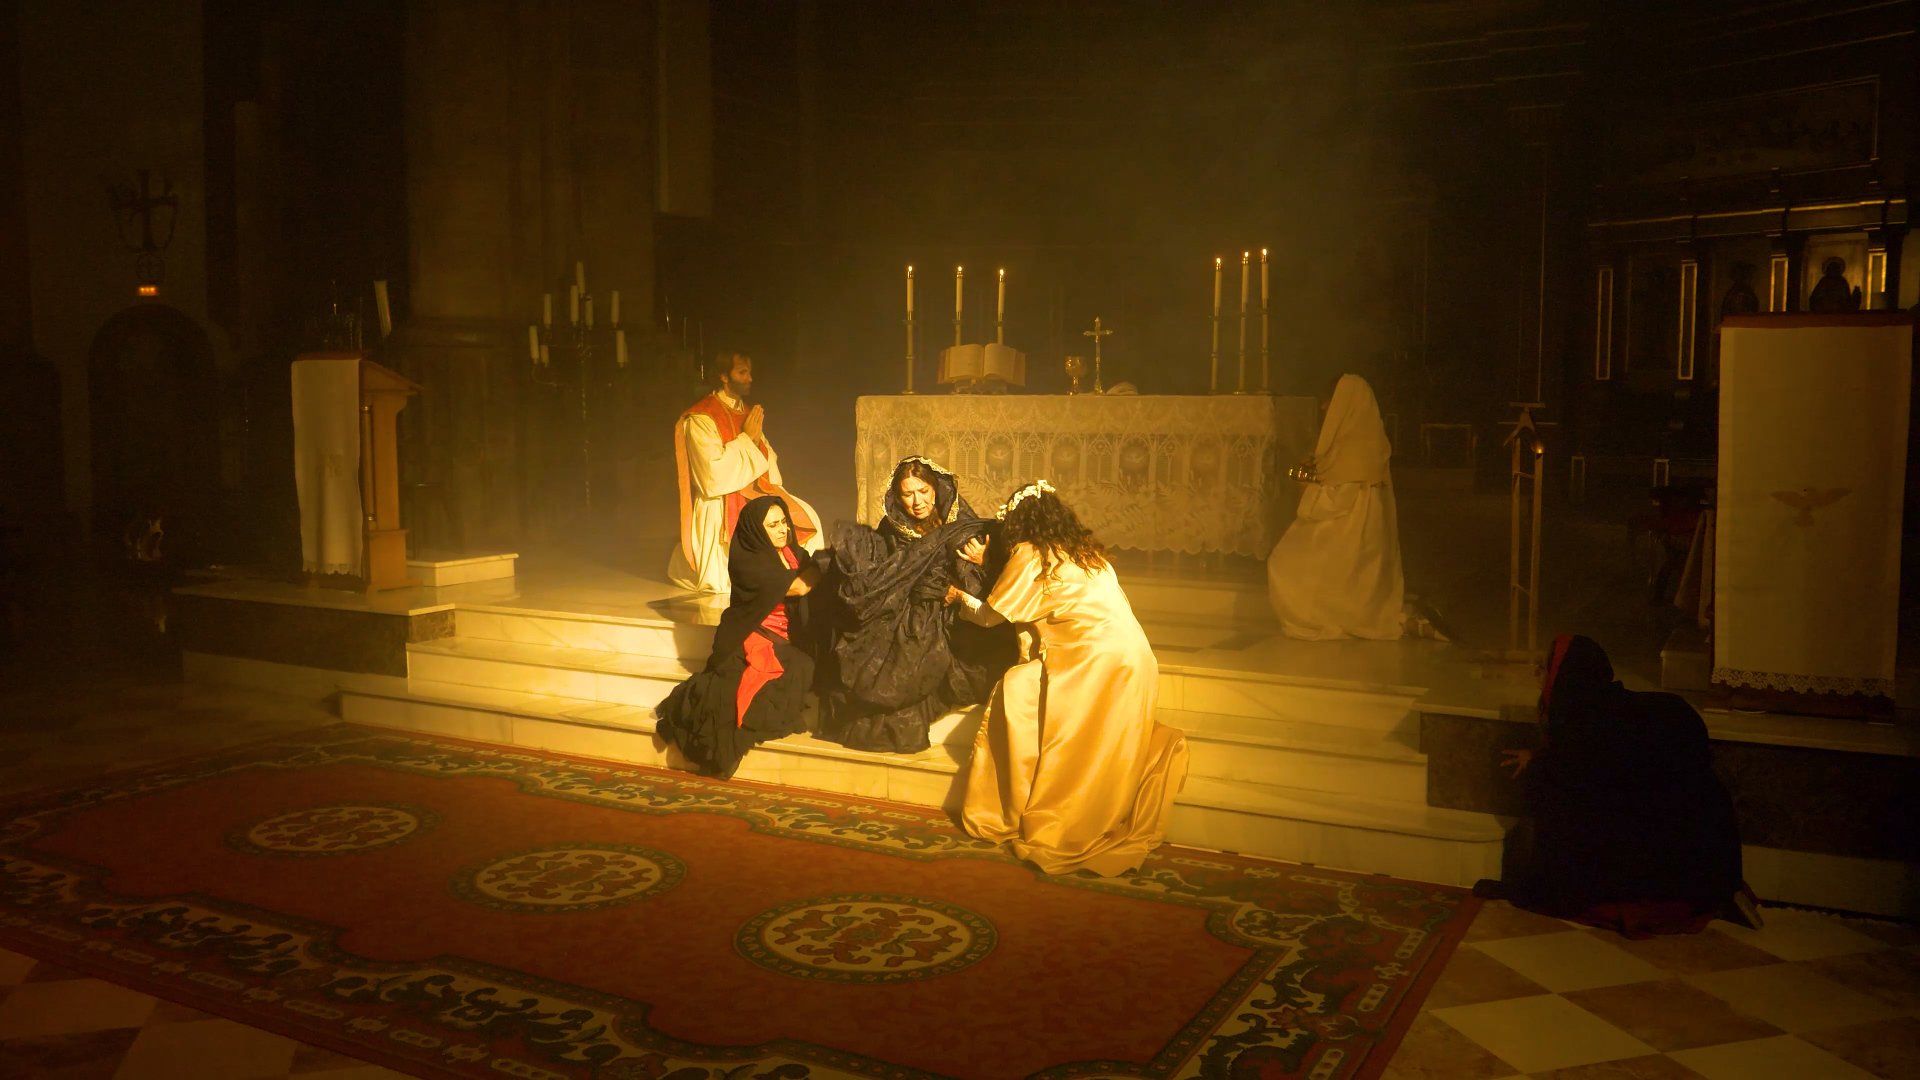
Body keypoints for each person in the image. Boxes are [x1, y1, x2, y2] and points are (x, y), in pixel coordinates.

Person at [946, 480, 1188, 876]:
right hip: (1137, 657)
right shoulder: (1087, 554)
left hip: (1092, 659)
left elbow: (992, 614)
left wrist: (959, 597)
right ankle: (1101, 812)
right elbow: (1038, 595)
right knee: (1100, 745)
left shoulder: (1030, 553)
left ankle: (1054, 819)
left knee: (1050, 723)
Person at [1492, 634, 1757, 936]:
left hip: (1664, 846)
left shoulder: (1590, 720)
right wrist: (1542, 759)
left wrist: (1538, 766)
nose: (1537, 674)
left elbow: (1580, 773)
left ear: (1566, 676)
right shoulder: (1611, 709)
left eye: (1545, 668)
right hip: (1703, 842)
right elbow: (1589, 759)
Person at [819, 457, 1016, 753]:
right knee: (896, 650)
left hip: (958, 611)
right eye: (908, 494)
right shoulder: (893, 527)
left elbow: (991, 576)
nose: (917, 502)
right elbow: (892, 575)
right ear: (898, 497)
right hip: (911, 606)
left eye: (923, 491)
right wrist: (926, 590)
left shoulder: (960, 520)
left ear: (935, 489)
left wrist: (982, 561)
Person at [654, 496, 820, 779]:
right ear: (757, 530)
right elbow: (799, 587)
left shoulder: (789, 552)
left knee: (807, 662)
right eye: (773, 525)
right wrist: (817, 570)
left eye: (783, 522)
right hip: (753, 633)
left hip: (783, 632)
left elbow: (809, 566)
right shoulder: (749, 561)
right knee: (785, 672)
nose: (783, 529)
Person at [669, 351, 822, 594]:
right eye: (742, 372)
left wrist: (756, 445)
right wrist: (747, 440)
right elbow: (711, 476)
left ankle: (794, 577)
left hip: (754, 491)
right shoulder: (701, 418)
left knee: (807, 515)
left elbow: (769, 462)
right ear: (723, 376)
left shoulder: (750, 413)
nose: (750, 378)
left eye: (750, 372)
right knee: (725, 579)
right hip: (719, 500)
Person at [1267, 373, 1406, 640]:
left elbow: (1338, 501)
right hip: (1346, 530)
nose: (1324, 407)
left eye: (1329, 400)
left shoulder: (1357, 447)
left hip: (1348, 535)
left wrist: (1307, 492)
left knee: (1285, 562)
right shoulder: (1360, 440)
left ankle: (1323, 617)